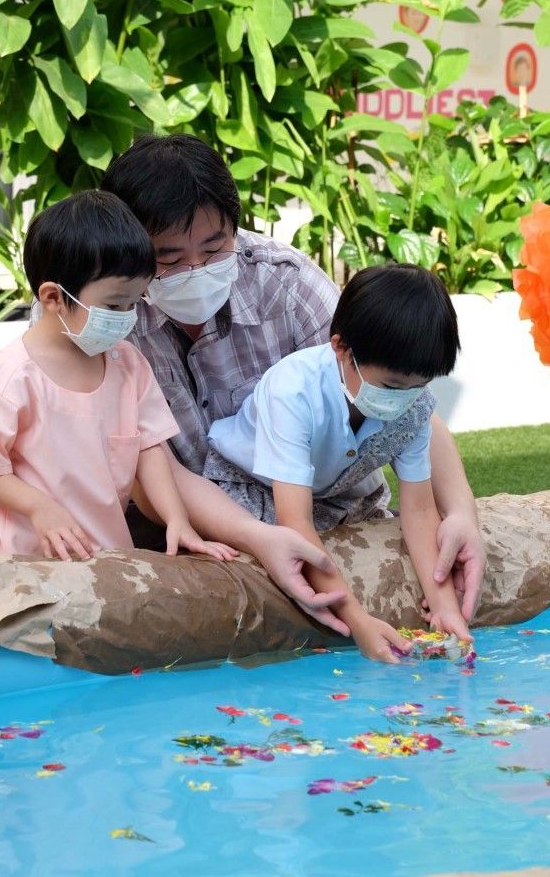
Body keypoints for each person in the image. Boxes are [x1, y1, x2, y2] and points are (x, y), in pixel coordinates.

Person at [101, 135, 486, 622]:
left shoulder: (285, 283)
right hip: (178, 521)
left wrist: (462, 512)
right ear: (128, 248)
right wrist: (259, 538)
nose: (195, 270)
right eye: (170, 259)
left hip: (333, 507)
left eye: (215, 248)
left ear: (235, 228)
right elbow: (145, 468)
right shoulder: (100, 312)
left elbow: (400, 393)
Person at [0, 192, 349, 635]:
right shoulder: (13, 376)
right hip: (24, 563)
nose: (127, 317)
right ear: (53, 297)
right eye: (114, 306)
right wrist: (39, 507)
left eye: (133, 303)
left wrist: (177, 519)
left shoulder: (126, 363)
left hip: (107, 560)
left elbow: (150, 451)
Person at [205, 265, 470, 663]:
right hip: (247, 487)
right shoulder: (293, 391)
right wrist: (357, 620)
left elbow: (419, 510)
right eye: (392, 386)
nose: (404, 399)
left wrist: (445, 604)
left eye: (419, 386)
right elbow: (295, 523)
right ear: (342, 349)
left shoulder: (413, 404)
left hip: (328, 492)